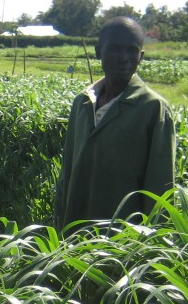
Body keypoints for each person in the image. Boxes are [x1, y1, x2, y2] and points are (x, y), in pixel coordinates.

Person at [53, 17, 175, 231]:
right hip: (74, 233)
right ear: (98, 51)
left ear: (141, 56)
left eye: (132, 51)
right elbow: (67, 171)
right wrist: (60, 221)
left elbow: (160, 187)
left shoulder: (153, 108)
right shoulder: (82, 102)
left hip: (120, 242)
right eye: (115, 49)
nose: (124, 58)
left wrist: (153, 245)